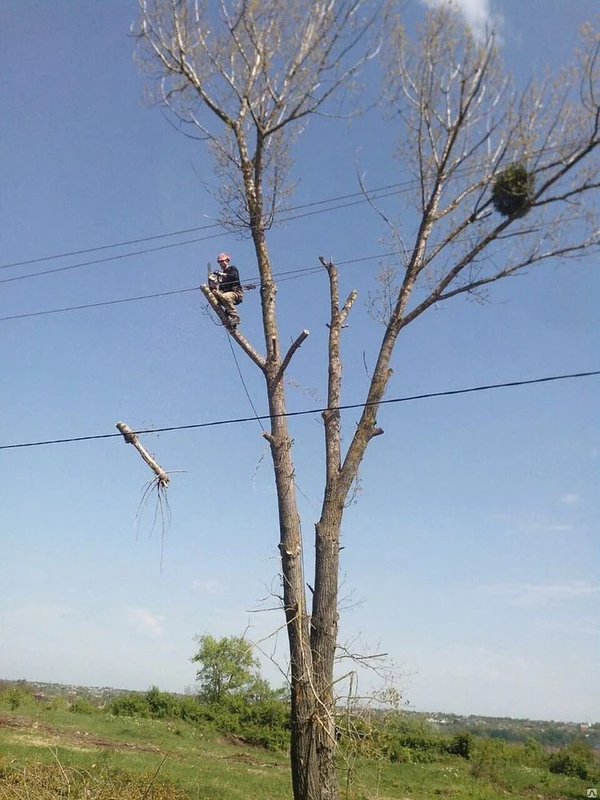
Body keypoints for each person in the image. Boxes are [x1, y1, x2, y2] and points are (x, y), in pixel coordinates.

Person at [210, 252, 243, 328]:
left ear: (227, 261)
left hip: (236, 293)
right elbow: (220, 289)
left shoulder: (232, 269)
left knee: (225, 296)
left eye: (222, 262)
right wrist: (213, 285)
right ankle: (228, 313)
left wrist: (222, 274)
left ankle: (235, 317)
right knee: (214, 293)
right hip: (225, 295)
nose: (221, 264)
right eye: (220, 262)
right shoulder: (221, 276)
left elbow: (234, 277)